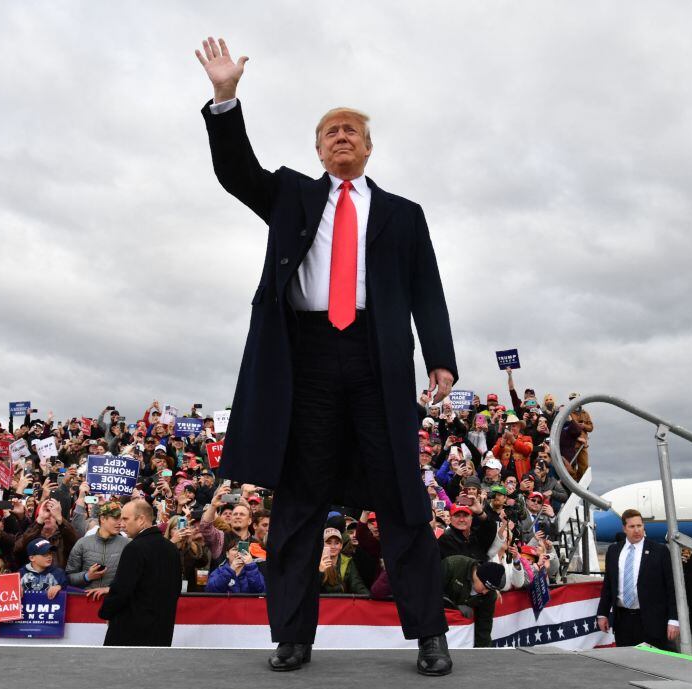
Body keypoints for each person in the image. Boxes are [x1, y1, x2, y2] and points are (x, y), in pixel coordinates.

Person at [196, 37, 457, 675]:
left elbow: (427, 286)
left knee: (402, 497)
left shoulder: (403, 213)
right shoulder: (291, 195)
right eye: (330, 131)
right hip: (305, 359)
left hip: (377, 358)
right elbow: (236, 172)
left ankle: (429, 635)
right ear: (318, 149)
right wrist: (225, 97)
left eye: (352, 130)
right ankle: (292, 637)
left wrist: (441, 358)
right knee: (299, 501)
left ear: (368, 147)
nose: (341, 137)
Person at [98, 499, 182, 647]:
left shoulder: (134, 548)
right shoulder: (171, 548)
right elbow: (176, 589)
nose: (122, 524)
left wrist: (106, 612)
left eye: (125, 518)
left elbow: (122, 589)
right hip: (162, 631)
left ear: (141, 519)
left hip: (130, 632)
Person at [596, 508, 680, 650]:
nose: (636, 530)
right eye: (632, 526)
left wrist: (673, 619)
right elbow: (608, 586)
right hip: (623, 621)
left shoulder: (659, 551)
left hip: (652, 621)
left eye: (639, 526)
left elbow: (671, 587)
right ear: (624, 528)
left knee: (655, 665)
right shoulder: (614, 551)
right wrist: (602, 613)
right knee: (628, 664)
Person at [65, 501, 127, 600]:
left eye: (122, 519)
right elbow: (68, 577)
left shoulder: (127, 544)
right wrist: (87, 576)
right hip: (86, 602)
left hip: (114, 603)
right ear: (102, 519)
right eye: (116, 518)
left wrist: (111, 589)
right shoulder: (82, 543)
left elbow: (132, 579)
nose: (120, 523)